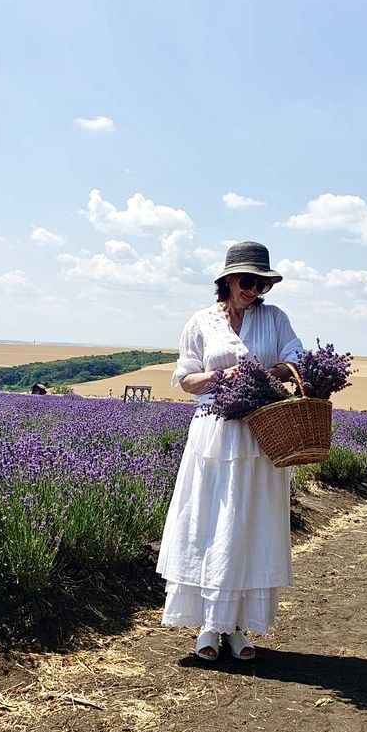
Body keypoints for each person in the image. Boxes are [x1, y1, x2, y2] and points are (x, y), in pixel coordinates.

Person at [157, 241, 303, 662]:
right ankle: (208, 624)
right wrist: (222, 375)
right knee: (209, 523)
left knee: (248, 525)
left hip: (261, 434)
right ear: (227, 280)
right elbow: (185, 379)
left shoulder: (275, 319)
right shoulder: (200, 321)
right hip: (214, 434)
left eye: (263, 283)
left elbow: (296, 361)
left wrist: (261, 374)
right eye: (247, 281)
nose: (255, 289)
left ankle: (237, 627)